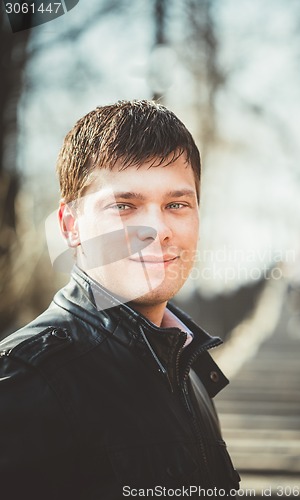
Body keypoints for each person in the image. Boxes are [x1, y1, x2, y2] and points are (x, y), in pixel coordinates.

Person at [0, 100, 240, 499]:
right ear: (71, 226)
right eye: (124, 206)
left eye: (176, 205)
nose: (157, 229)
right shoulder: (23, 380)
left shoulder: (190, 368)